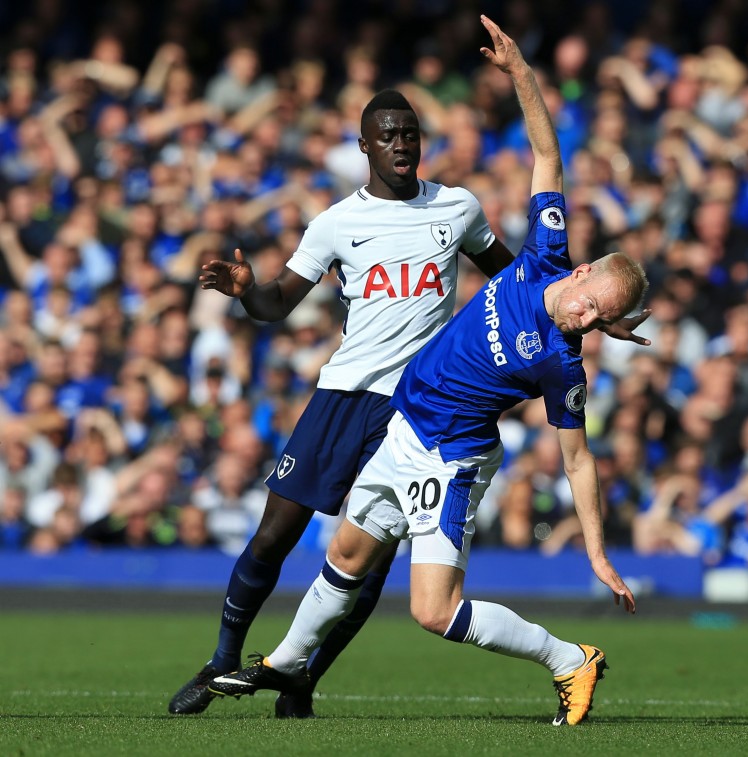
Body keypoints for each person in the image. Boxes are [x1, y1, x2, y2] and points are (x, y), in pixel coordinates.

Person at [169, 48, 649, 718]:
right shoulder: (339, 221)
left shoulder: (457, 211)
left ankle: (299, 678)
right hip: (349, 393)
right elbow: (279, 299)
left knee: (372, 566)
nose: (401, 143)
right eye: (388, 134)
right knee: (284, 535)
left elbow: (512, 278)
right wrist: (248, 295)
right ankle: (228, 659)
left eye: (410, 133)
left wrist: (591, 316)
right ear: (364, 145)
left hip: (421, 416)